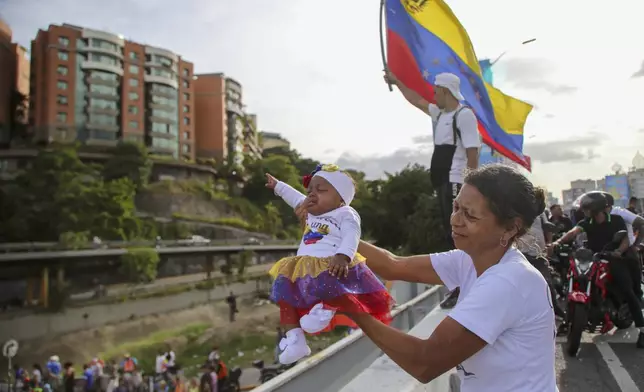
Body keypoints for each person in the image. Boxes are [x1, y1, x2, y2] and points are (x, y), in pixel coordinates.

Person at [297, 165, 557, 391]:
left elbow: (425, 362)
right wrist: (324, 229)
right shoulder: (469, 259)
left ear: (511, 227)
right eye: (456, 208)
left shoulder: (507, 281)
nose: (455, 220)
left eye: (470, 215)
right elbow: (392, 265)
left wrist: (350, 306)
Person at [265, 163, 393, 364]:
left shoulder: (345, 213)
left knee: (327, 285)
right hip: (301, 265)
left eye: (321, 190)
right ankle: (295, 339)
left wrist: (343, 256)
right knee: (284, 294)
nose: (312, 194)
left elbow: (352, 234)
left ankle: (325, 308)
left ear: (341, 199)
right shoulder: (310, 210)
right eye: (310, 191)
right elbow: (294, 197)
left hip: (330, 262)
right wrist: (277, 186)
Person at [384, 71, 480, 309]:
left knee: (460, 234)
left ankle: (467, 285)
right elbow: (417, 100)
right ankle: (460, 284)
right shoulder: (440, 114)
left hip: (457, 181)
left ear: (446, 91)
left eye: (436, 90)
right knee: (450, 234)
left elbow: (472, 151)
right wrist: (397, 82)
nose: (433, 94)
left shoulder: (464, 115)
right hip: (442, 182)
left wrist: (471, 186)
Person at [550, 191, 644, 348]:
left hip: (615, 259)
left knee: (627, 290)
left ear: (595, 208)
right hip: (594, 259)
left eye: (587, 208)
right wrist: (556, 243)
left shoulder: (616, 219)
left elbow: (626, 238)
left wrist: (619, 251)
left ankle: (642, 330)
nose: (584, 211)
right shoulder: (588, 222)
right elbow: (573, 232)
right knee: (577, 275)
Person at [517, 189, 568, 335]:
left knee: (547, 287)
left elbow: (547, 228)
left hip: (538, 255)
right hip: (519, 255)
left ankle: (559, 316)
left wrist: (550, 243)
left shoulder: (541, 213)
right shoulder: (516, 211)